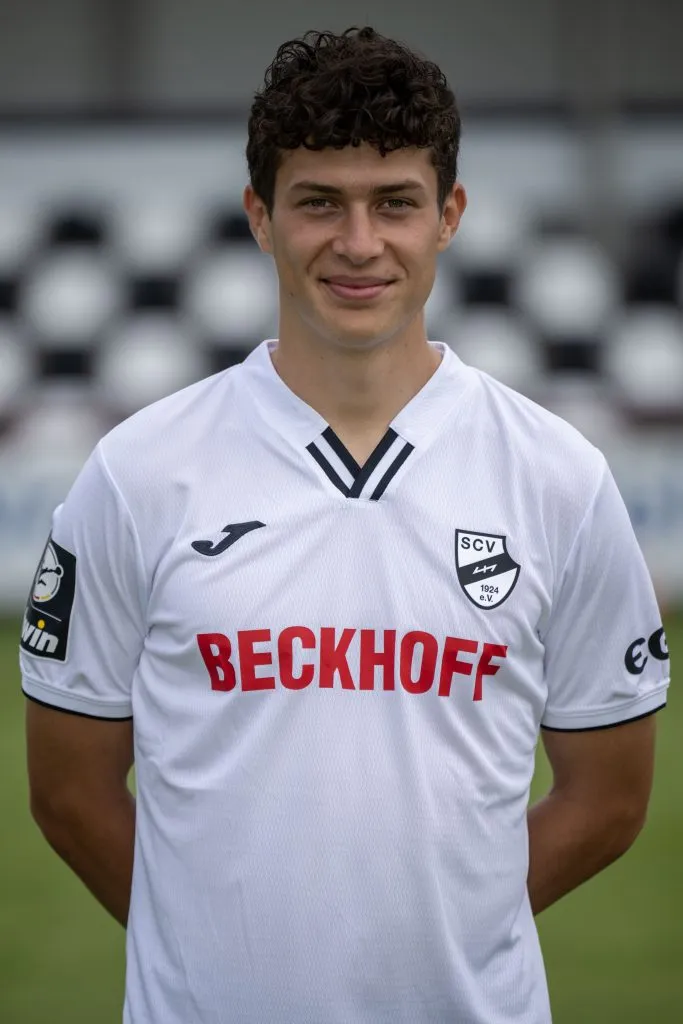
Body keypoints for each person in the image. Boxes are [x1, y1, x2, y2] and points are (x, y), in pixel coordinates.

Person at [21, 26, 669, 1024]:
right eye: (319, 201)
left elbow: (610, 795)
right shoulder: (138, 474)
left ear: (448, 215)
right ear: (259, 217)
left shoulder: (557, 480)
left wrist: (440, 929)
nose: (358, 244)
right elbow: (68, 792)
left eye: (394, 203)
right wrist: (204, 940)